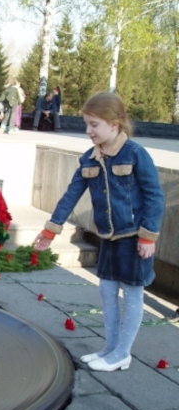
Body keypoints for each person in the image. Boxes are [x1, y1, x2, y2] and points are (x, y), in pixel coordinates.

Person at [33, 92, 165, 372]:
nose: (88, 130)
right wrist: (50, 231)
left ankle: (122, 354)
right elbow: (71, 195)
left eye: (94, 124)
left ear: (114, 123)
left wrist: (148, 236)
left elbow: (155, 196)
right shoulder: (89, 159)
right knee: (107, 291)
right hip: (108, 237)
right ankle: (110, 349)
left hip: (134, 237)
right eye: (87, 124)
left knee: (133, 294)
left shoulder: (135, 154)